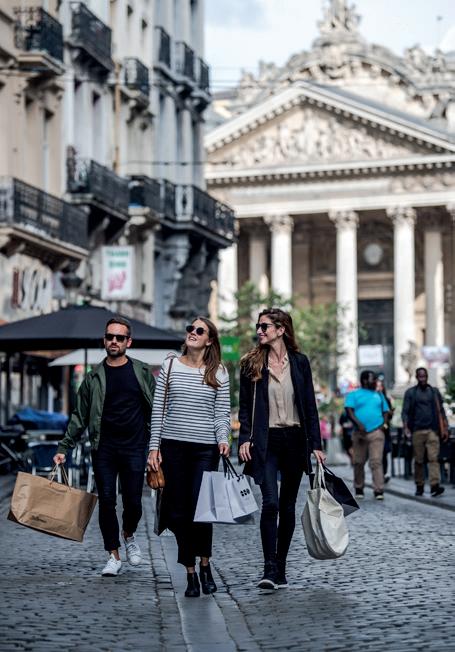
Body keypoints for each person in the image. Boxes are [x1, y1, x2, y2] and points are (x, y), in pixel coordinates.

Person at [53, 317, 155, 576]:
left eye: (120, 337)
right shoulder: (93, 378)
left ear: (128, 342)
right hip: (104, 448)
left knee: (133, 502)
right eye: (110, 336)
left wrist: (158, 445)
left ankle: (128, 534)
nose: (114, 341)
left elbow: (156, 410)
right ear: (104, 340)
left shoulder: (142, 372)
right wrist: (64, 447)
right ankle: (113, 555)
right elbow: (79, 416)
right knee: (107, 500)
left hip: (135, 447)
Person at [238, 308, 325, 590]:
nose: (259, 331)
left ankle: (281, 567)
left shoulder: (300, 363)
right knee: (271, 503)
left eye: (264, 326)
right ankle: (269, 567)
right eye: (258, 326)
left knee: (287, 506)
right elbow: (244, 407)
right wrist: (244, 439)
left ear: (281, 330)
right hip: (267, 441)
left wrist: (316, 444)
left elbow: (309, 405)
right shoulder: (251, 363)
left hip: (295, 440)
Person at [148, 317, 230, 598]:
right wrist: (154, 448)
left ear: (209, 340)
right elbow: (158, 410)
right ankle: (191, 572)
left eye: (199, 330)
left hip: (205, 449)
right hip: (173, 448)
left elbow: (222, 413)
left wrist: (223, 439)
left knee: (202, 509)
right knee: (179, 512)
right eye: (190, 329)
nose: (192, 333)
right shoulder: (170, 366)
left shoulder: (219, 372)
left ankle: (205, 564)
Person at [402, 367, 449, 497]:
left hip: (432, 430)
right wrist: (406, 428)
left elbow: (441, 411)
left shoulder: (434, 392)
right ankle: (420, 485)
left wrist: (445, 428)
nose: (422, 379)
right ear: (416, 377)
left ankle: (435, 485)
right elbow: (405, 412)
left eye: (424, 376)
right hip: (417, 431)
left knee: (434, 459)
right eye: (420, 376)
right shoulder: (411, 393)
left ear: (427, 377)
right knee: (419, 460)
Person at [345, 370, 389, 500]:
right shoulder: (353, 394)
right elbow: (349, 410)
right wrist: (358, 424)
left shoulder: (379, 395)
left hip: (376, 432)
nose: (375, 381)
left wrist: (383, 425)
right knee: (358, 462)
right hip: (359, 433)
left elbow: (386, 411)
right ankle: (359, 488)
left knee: (376, 461)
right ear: (365, 380)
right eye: (373, 379)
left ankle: (379, 490)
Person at [376, 378, 394, 482]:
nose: (379, 388)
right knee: (376, 454)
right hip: (374, 429)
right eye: (377, 386)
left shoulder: (386, 399)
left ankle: (383, 474)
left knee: (384, 452)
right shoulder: (372, 399)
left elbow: (390, 415)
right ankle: (378, 475)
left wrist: (390, 413)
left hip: (384, 430)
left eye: (380, 386)